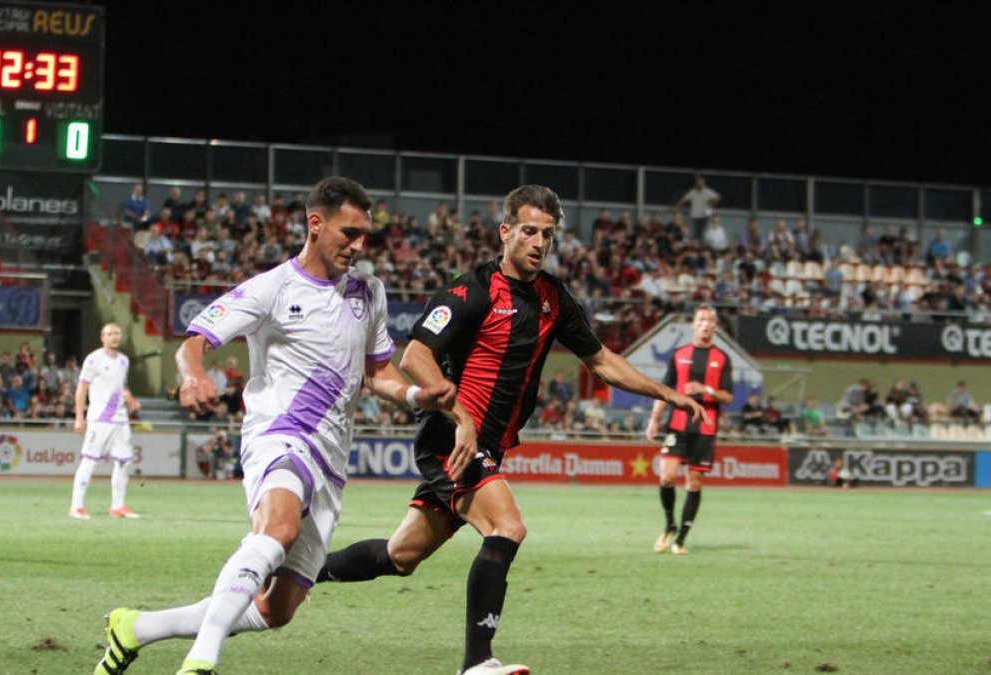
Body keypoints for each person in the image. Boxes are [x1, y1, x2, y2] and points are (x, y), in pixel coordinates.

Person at [314, 185, 705, 675]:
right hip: (450, 440)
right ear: (506, 232)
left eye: (548, 234)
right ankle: (477, 662)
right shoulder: (472, 289)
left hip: (486, 447)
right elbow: (415, 356)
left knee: (400, 556)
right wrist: (461, 420)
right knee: (508, 527)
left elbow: (601, 361)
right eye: (529, 231)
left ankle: (302, 572)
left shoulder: (553, 298)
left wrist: (666, 394)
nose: (539, 242)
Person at [92, 177, 455, 675]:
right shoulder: (272, 288)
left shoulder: (369, 293)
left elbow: (376, 372)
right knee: (278, 527)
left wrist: (417, 395)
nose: (358, 246)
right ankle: (201, 661)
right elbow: (193, 342)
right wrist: (194, 376)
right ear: (315, 223)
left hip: (330, 459)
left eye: (364, 236)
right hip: (279, 436)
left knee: (275, 609)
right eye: (348, 233)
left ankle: (135, 627)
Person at [646, 305, 734, 556]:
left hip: (705, 428)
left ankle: (681, 538)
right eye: (701, 319)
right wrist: (654, 419)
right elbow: (663, 390)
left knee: (694, 482)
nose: (706, 324)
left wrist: (706, 390)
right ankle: (669, 523)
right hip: (678, 425)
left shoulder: (721, 358)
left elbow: (727, 396)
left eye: (710, 320)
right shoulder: (679, 354)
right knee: (666, 476)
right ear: (694, 324)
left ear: (715, 326)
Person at [68, 323, 142, 520]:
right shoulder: (93, 360)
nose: (114, 337)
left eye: (117, 333)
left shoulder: (123, 361)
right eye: (110, 334)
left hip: (120, 419)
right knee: (89, 460)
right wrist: (79, 418)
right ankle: (76, 506)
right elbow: (81, 390)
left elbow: (122, 387)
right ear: (102, 337)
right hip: (100, 418)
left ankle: (118, 506)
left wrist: (131, 400)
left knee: (123, 462)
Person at [672, 175, 720, 243]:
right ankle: (696, 245)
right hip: (695, 216)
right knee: (695, 233)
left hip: (705, 216)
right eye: (698, 183)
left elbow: (717, 197)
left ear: (704, 183)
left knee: (704, 233)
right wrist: (676, 207)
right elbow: (683, 200)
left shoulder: (707, 192)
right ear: (696, 184)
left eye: (701, 183)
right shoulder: (692, 192)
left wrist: (711, 205)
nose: (700, 184)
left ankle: (703, 245)